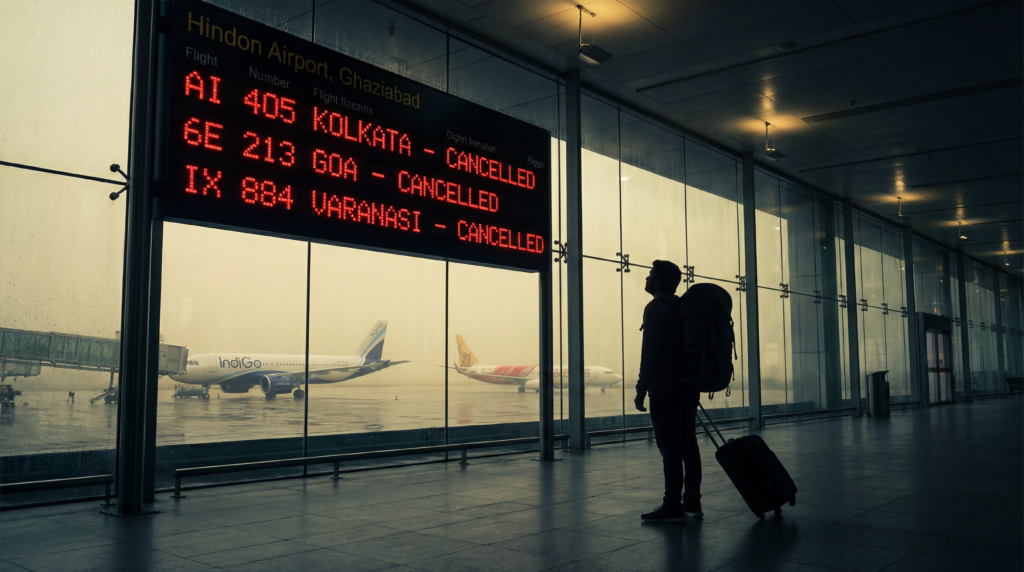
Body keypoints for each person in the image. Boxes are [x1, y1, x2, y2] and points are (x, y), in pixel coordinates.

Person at [635, 260, 702, 523]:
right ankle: (693, 501)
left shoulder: (656, 309)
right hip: (688, 387)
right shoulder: (683, 308)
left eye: (650, 275)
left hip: (665, 389)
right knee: (689, 444)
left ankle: (672, 504)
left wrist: (642, 388)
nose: (647, 279)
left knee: (669, 448)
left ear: (659, 281)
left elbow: (650, 353)